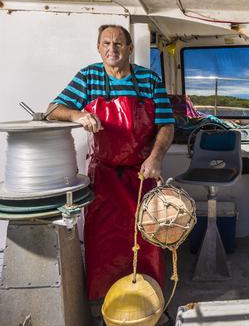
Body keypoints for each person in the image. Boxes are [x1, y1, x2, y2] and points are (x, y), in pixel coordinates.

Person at [48, 24, 174, 300]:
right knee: (103, 241)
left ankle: (150, 299)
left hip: (142, 173)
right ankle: (104, 301)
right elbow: (53, 109)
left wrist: (155, 159)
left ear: (129, 48)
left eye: (118, 44)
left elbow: (166, 124)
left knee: (148, 239)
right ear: (98, 48)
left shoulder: (149, 80)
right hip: (103, 176)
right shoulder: (88, 77)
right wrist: (77, 116)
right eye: (106, 43)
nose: (112, 49)